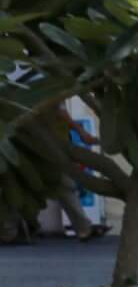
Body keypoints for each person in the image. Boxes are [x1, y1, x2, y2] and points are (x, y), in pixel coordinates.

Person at [39, 104, 108, 242]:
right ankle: (83, 228)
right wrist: (81, 132)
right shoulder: (53, 86)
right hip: (52, 145)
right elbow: (61, 112)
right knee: (65, 185)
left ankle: (83, 227)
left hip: (48, 143)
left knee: (62, 186)